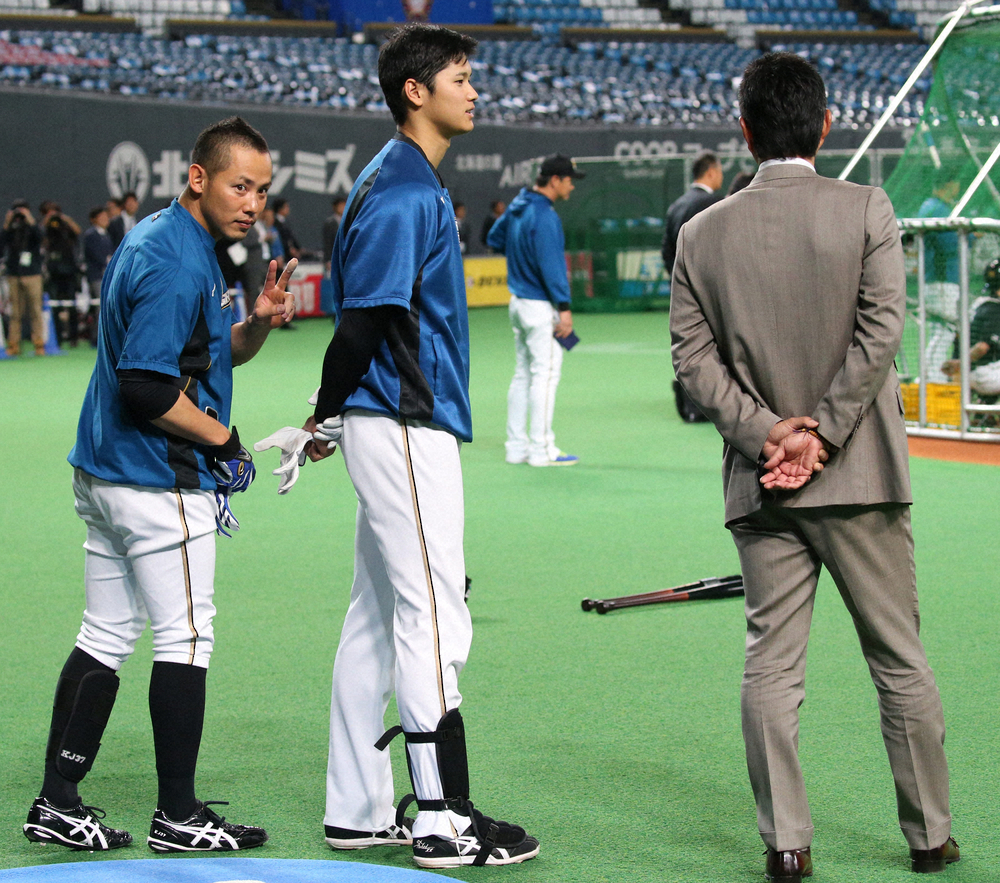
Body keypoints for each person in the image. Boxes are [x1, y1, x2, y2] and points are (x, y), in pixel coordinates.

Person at [669, 52, 957, 883]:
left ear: (745, 132)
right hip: (862, 477)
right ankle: (929, 836)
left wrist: (769, 435)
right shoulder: (867, 207)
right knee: (898, 658)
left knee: (771, 664)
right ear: (826, 125)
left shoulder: (701, 233)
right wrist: (823, 436)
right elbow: (882, 334)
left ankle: (787, 843)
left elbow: (693, 361)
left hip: (762, 485)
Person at [23, 116, 297, 854]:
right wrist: (225, 441)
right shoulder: (178, 259)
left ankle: (56, 801)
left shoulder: (166, 235)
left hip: (107, 469)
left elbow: (196, 357)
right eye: (240, 186)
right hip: (154, 478)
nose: (253, 203)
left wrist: (258, 323)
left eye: (262, 190)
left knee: (106, 631)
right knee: (186, 636)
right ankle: (178, 814)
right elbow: (147, 387)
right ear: (198, 177)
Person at [302, 23, 539, 869]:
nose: (474, 90)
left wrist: (330, 415)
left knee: (377, 616)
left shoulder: (397, 177)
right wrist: (325, 411)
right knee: (434, 612)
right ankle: (442, 816)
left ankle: (357, 808)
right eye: (460, 76)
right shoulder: (404, 187)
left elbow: (362, 318)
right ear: (416, 90)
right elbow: (363, 319)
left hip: (388, 419)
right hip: (403, 424)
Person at [488, 154, 582, 466]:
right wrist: (564, 309)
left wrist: (521, 253)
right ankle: (542, 450)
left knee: (523, 375)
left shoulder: (519, 206)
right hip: (539, 305)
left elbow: (493, 238)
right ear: (555, 180)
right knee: (545, 375)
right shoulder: (544, 215)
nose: (571, 185)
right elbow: (553, 268)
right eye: (569, 179)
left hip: (518, 302)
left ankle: (516, 447)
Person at [917, 180, 963, 383]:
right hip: (942, 279)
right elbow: (949, 243)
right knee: (945, 330)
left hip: (936, 279)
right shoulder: (938, 208)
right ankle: (931, 378)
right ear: (949, 184)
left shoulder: (930, 206)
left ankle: (931, 377)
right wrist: (971, 237)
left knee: (942, 330)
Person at [941, 257, 1000, 415]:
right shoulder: (995, 309)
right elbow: (982, 348)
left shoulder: (978, 305)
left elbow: (958, 337)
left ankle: (984, 412)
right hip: (982, 375)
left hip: (968, 373)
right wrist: (960, 363)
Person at [660, 150, 723, 275]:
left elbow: (667, 252)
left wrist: (680, 279)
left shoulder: (676, 206)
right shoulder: (716, 204)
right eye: (720, 172)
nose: (722, 177)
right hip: (707, 281)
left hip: (681, 281)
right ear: (711, 173)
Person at [1, 198, 46, 357]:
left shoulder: (32, 227)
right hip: (14, 274)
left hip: (32, 274)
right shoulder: (11, 228)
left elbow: (40, 237)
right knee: (15, 312)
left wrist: (30, 220)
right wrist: (7, 223)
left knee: (35, 311)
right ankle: (13, 345)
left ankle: (39, 344)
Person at [41, 203, 83, 347]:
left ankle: (74, 337)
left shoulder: (65, 226)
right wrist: (48, 220)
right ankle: (57, 337)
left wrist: (64, 219)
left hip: (69, 271)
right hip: (54, 272)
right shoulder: (46, 228)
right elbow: (41, 236)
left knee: (71, 305)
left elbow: (77, 231)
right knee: (55, 306)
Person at [81, 206, 114, 346]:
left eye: (106, 216)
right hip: (96, 276)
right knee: (99, 307)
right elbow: (96, 255)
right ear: (94, 219)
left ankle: (102, 337)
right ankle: (96, 338)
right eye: (102, 217)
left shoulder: (106, 234)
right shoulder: (91, 235)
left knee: (104, 307)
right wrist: (108, 262)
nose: (105, 219)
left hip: (106, 275)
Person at [322, 196, 347, 274]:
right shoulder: (330, 223)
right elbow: (328, 242)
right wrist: (328, 260)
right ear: (335, 207)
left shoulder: (349, 221)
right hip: (334, 257)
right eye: (340, 206)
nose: (343, 208)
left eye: (344, 205)